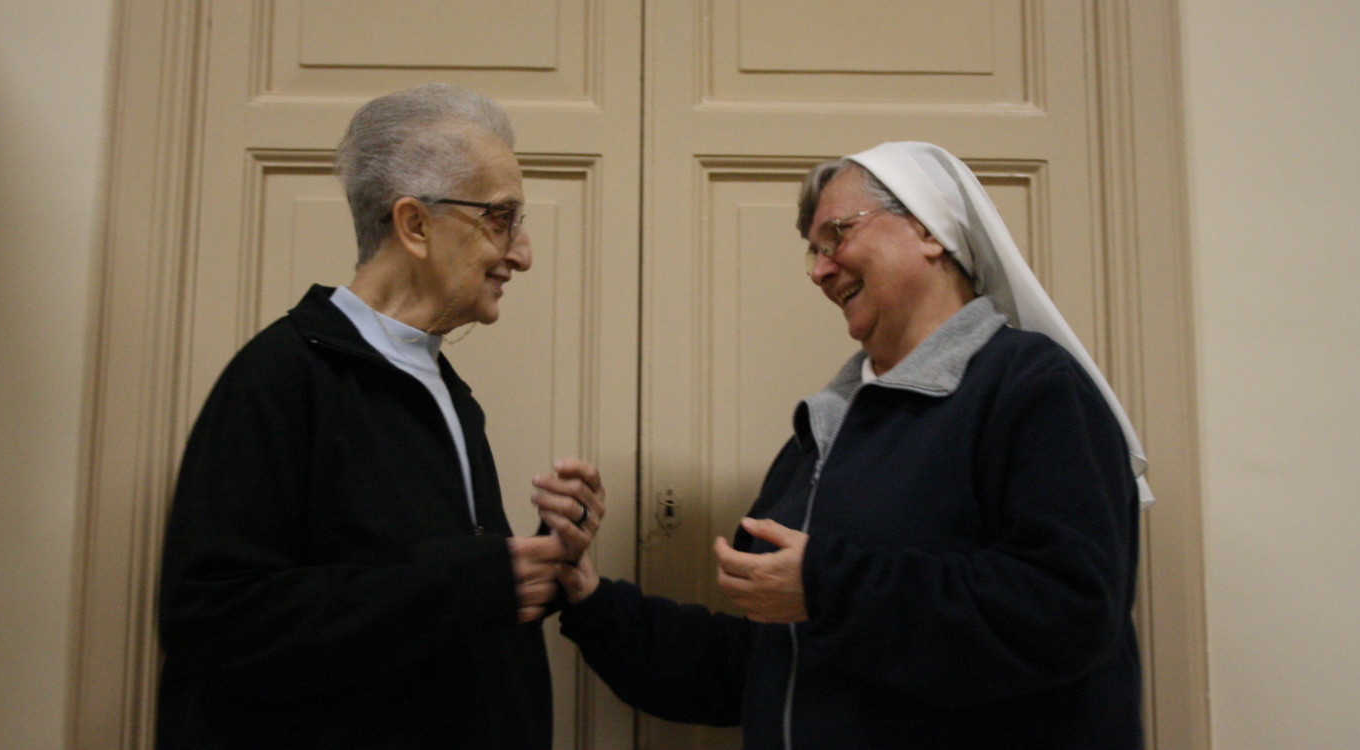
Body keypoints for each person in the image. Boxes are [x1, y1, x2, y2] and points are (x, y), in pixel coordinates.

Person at [557, 142, 1150, 748]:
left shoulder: (1032, 386)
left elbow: (1068, 609)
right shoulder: (822, 433)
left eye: (836, 235)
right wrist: (590, 600)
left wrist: (827, 588)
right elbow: (764, 663)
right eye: (813, 252)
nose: (819, 271)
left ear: (929, 231)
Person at [155, 83, 605, 750]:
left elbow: (436, 601)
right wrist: (462, 585)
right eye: (501, 218)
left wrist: (540, 563)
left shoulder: (444, 388)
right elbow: (213, 621)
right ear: (415, 226)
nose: (522, 253)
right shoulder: (278, 377)